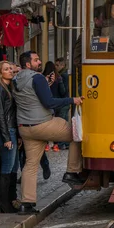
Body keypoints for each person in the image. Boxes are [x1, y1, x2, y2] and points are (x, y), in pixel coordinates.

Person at [12, 51, 84, 214]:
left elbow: (32, 96)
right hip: (42, 124)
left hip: (25, 127)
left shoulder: (17, 79)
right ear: (28, 64)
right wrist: (72, 100)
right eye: (36, 60)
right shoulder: (37, 78)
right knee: (75, 134)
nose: (40, 62)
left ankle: (26, 203)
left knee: (30, 165)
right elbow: (49, 102)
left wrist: (46, 85)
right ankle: (72, 172)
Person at [0, 61, 19, 213]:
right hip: (7, 132)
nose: (10, 71)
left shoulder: (10, 88)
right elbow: (0, 116)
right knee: (6, 168)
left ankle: (9, 200)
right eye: (6, 69)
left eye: (10, 69)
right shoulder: (0, 91)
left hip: (12, 131)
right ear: (0, 73)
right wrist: (6, 137)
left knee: (13, 167)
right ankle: (2, 204)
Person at [43, 61, 68, 152]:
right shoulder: (59, 78)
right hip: (58, 103)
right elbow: (63, 92)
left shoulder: (42, 78)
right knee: (58, 125)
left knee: (46, 125)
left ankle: (46, 144)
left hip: (47, 104)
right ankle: (57, 144)